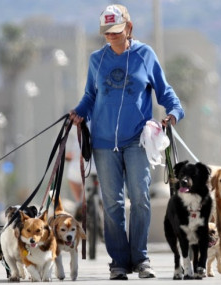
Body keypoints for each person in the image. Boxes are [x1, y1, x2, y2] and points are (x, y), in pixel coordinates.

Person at [69, 4, 184, 280]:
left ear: (128, 28)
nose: (110, 36)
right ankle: (119, 262)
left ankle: (141, 259)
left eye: (116, 31)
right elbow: (89, 96)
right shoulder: (97, 59)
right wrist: (78, 112)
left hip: (137, 140)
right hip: (104, 143)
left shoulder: (145, 55)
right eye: (106, 32)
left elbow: (165, 92)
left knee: (141, 198)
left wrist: (174, 113)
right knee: (112, 204)